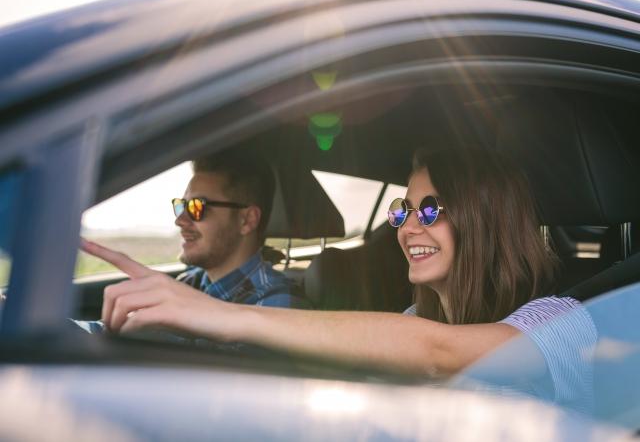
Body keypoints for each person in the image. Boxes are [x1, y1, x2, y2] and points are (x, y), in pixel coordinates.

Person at [81, 146, 596, 393]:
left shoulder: (564, 324)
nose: (407, 227)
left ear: (486, 220)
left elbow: (439, 356)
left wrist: (218, 314)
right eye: (402, 210)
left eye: (431, 209)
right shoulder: (416, 315)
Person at [75, 148, 311, 334]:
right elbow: (109, 331)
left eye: (197, 207)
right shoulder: (190, 283)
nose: (180, 220)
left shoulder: (279, 305)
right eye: (182, 205)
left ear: (247, 220)